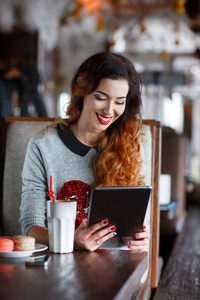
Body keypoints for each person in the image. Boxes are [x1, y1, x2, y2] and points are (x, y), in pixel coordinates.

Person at [20, 51, 151, 252]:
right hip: (61, 264)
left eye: (119, 101)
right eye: (101, 97)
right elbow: (30, 228)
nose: (109, 110)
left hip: (117, 266)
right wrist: (70, 238)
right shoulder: (44, 145)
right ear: (82, 93)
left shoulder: (130, 146)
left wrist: (136, 238)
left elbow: (130, 231)